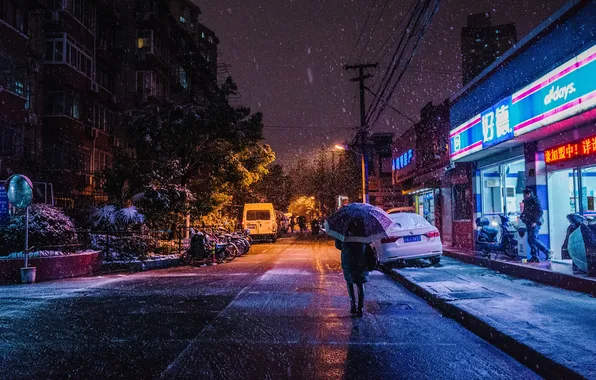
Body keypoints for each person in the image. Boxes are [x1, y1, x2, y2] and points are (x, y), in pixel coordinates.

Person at [335, 218, 369, 317]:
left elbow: (338, 245)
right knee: (360, 282)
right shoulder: (363, 226)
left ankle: (353, 305)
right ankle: (361, 307)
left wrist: (347, 246)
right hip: (361, 258)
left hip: (348, 257)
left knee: (349, 281)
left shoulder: (343, 228)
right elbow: (368, 242)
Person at [520, 187, 553, 262]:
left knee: (533, 238)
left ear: (528, 194)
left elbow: (540, 211)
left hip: (535, 223)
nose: (523, 196)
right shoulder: (526, 201)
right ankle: (534, 256)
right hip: (529, 222)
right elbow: (525, 211)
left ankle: (547, 251)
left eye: (524, 195)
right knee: (530, 240)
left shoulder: (535, 200)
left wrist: (534, 221)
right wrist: (522, 217)